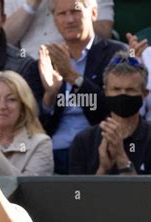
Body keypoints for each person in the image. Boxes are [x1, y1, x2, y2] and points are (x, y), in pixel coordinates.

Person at [38, 0, 127, 174]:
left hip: (98, 147)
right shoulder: (47, 59)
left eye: (75, 11)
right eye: (62, 14)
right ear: (54, 19)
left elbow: (114, 111)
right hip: (52, 151)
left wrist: (73, 78)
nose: (69, 19)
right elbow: (35, 123)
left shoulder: (116, 55)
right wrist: (49, 96)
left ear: (93, 13)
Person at [69, 52, 151, 175]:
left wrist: (122, 159)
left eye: (130, 90)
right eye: (116, 89)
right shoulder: (84, 141)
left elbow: (144, 194)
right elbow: (79, 194)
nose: (123, 94)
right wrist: (103, 169)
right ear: (105, 91)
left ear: (144, 94)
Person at [0, 71, 53, 176]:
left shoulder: (40, 144)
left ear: (23, 106)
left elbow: (29, 190)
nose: (2, 106)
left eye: (11, 99)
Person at [3, 0, 115, 59]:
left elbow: (105, 33)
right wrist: (31, 4)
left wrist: (72, 7)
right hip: (28, 66)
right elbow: (3, 40)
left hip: (81, 63)